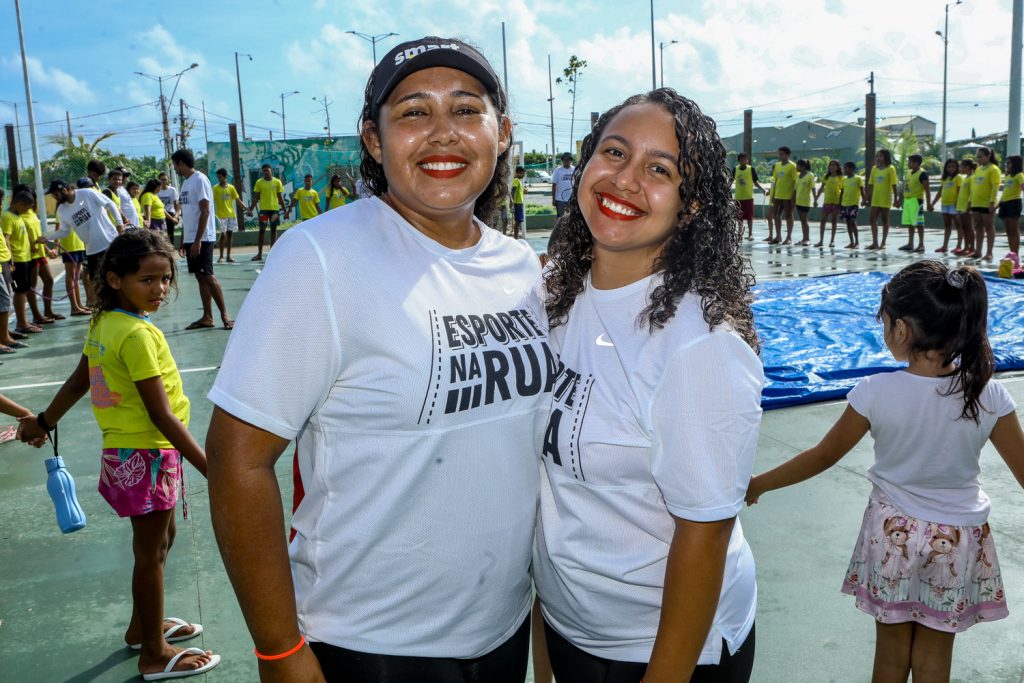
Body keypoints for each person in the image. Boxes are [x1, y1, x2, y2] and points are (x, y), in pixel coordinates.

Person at [205, 36, 550, 683]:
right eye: (414, 113)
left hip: (499, 629)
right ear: (373, 139)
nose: (442, 134)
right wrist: (278, 647)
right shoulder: (321, 258)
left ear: (501, 133)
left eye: (466, 111)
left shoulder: (521, 265)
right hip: (372, 646)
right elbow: (238, 457)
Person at [538, 88, 761, 683]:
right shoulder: (553, 297)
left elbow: (704, 533)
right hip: (569, 629)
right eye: (613, 152)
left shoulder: (698, 345)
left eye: (659, 170)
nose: (625, 179)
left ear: (689, 208)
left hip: (655, 652)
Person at [746, 259, 1024, 683]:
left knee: (891, 659)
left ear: (901, 330)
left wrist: (759, 484)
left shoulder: (875, 392)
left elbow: (823, 455)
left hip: (891, 534)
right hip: (959, 538)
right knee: (934, 661)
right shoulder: (989, 394)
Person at [17, 229, 222, 681]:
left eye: (165, 279)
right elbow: (162, 415)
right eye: (146, 280)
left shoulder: (106, 322)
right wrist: (213, 470)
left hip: (131, 453)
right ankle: (153, 651)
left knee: (159, 543)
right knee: (150, 553)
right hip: (148, 454)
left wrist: (44, 422)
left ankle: (141, 627)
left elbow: (79, 380)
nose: (160, 290)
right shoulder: (136, 335)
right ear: (114, 279)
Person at [171, 150, 234, 331]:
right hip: (192, 237)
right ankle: (207, 317)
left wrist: (198, 240)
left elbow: (205, 211)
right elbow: (188, 214)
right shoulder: (185, 184)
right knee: (200, 276)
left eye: (175, 164)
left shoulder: (200, 180)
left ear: (181, 163)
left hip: (203, 237)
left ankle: (225, 316)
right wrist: (184, 240)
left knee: (207, 274)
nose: (174, 168)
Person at [42, 179, 123, 284]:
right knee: (98, 284)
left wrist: (119, 224)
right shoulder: (62, 210)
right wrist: (46, 237)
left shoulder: (86, 193)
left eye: (55, 194)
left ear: (64, 190)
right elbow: (65, 231)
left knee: (119, 278)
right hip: (92, 251)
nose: (54, 197)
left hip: (110, 244)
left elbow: (110, 203)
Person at [2, 192, 39, 336]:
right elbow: (6, 238)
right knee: (20, 290)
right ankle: (21, 323)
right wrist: (10, 260)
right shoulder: (7, 217)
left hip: (26, 258)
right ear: (20, 204)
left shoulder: (17, 216)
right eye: (26, 208)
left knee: (24, 289)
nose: (26, 211)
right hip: (17, 259)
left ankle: (24, 322)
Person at [246, 164, 288, 261]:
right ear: (262, 172)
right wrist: (250, 209)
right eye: (264, 171)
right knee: (262, 230)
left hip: (274, 211)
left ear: (271, 171)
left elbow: (280, 197)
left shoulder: (277, 182)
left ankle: (272, 254)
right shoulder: (259, 182)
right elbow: (256, 197)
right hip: (263, 211)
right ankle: (259, 254)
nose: (265, 172)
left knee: (273, 231)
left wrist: (286, 211)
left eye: (267, 170)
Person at [970, 147, 1001, 262]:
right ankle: (978, 251)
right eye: (977, 157)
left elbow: (995, 186)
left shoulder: (994, 169)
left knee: (989, 227)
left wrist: (992, 202)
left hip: (987, 203)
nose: (978, 159)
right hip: (976, 202)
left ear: (988, 156)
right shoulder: (978, 169)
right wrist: (970, 201)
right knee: (978, 226)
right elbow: (974, 186)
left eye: (980, 156)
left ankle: (989, 252)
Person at [898, 154, 931, 253]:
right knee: (910, 223)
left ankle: (921, 244)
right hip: (907, 201)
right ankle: (910, 243)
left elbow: (927, 190)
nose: (908, 163)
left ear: (916, 163)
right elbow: (904, 187)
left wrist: (929, 204)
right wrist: (900, 200)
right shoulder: (908, 173)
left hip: (916, 201)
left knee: (919, 223)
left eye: (910, 162)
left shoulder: (922, 174)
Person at [867, 149, 898, 250]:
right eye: (877, 156)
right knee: (872, 219)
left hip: (885, 198)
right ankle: (875, 242)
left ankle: (883, 242)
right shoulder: (874, 169)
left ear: (886, 157)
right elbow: (870, 185)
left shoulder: (890, 169)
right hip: (876, 199)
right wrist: (865, 198)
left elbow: (894, 185)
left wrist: (896, 199)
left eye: (880, 156)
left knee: (885, 219)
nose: (878, 158)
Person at [731, 152, 765, 240]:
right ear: (739, 160)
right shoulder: (735, 169)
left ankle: (750, 234)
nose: (744, 161)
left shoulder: (751, 169)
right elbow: (730, 181)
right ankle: (740, 234)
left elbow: (756, 183)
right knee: (739, 218)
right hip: (738, 197)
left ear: (747, 160)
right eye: (742, 159)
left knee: (749, 217)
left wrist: (763, 189)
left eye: (745, 159)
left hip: (749, 197)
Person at [933, 159, 963, 254]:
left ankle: (959, 246)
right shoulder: (944, 178)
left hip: (954, 205)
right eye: (949, 166)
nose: (951, 169)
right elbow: (940, 192)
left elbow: (959, 191)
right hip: (945, 204)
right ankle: (944, 246)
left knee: (958, 225)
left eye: (953, 166)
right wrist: (933, 203)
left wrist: (958, 203)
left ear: (957, 167)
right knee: (947, 225)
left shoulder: (958, 178)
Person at [212, 169, 242, 263]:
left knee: (229, 235)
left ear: (225, 177)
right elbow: (211, 201)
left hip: (231, 215)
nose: (218, 179)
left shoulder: (231, 188)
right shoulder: (215, 188)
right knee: (223, 235)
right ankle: (221, 256)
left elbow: (237, 200)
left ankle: (229, 256)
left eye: (220, 177)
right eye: (217, 177)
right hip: (221, 216)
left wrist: (247, 208)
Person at [771, 146, 798, 245]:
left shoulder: (792, 166)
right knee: (776, 215)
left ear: (787, 155)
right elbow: (776, 180)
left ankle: (789, 237)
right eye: (779, 154)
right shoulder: (777, 165)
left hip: (788, 196)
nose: (780, 156)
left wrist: (793, 196)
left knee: (788, 215)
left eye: (782, 154)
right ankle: (778, 236)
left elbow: (796, 182)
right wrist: (773, 194)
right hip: (778, 195)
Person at [998, 154, 1023, 257]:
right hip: (1004, 204)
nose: (1007, 165)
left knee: (1013, 230)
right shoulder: (1008, 176)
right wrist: (998, 204)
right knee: (1008, 230)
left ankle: (1015, 254)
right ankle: (1011, 252)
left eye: (1009, 163)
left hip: (1014, 203)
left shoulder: (1019, 175)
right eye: (1006, 163)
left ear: (1015, 164)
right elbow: (1005, 192)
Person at [815, 159, 844, 248]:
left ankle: (832, 241)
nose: (831, 167)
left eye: (834, 165)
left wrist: (841, 203)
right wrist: (816, 199)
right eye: (830, 165)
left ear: (837, 167)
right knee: (823, 221)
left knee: (833, 221)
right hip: (827, 201)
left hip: (836, 202)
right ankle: (821, 240)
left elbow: (843, 190)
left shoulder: (841, 177)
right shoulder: (826, 177)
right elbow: (821, 188)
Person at [840, 161, 864, 249]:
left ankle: (857, 242)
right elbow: (842, 192)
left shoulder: (858, 179)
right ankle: (851, 242)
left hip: (854, 204)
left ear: (851, 169)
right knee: (847, 223)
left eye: (845, 168)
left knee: (852, 222)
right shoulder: (844, 180)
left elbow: (862, 190)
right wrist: (840, 204)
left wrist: (864, 199)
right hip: (845, 204)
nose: (844, 170)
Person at [956, 159, 977, 257]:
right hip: (961, 206)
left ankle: (972, 248)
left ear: (967, 167)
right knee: (964, 228)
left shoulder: (972, 178)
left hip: (966, 207)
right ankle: (966, 247)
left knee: (969, 228)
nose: (960, 168)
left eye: (961, 166)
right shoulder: (966, 178)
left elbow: (972, 193)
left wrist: (969, 206)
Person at [793, 158, 814, 245]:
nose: (796, 167)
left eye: (798, 165)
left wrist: (815, 199)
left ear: (803, 166)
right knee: (802, 220)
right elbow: (795, 189)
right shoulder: (798, 176)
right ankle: (804, 238)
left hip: (806, 201)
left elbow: (813, 188)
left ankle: (807, 239)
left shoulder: (810, 175)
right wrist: (793, 199)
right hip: (798, 201)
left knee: (804, 219)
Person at [157, 172, 180, 245]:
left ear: (168, 180)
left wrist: (176, 215)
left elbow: (176, 204)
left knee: (170, 233)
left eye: (165, 179)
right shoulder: (157, 190)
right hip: (160, 213)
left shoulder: (172, 190)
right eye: (161, 180)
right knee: (159, 233)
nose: (163, 181)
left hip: (170, 213)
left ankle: (171, 247)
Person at [552, 152, 574, 217]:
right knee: (560, 218)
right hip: (559, 199)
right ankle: (560, 227)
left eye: (568, 159)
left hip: (571, 199)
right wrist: (553, 199)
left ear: (570, 160)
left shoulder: (574, 169)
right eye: (565, 159)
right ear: (562, 160)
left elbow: (577, 185)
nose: (566, 161)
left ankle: (570, 228)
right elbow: (554, 185)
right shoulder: (558, 170)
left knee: (571, 218)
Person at [511, 165, 526, 238]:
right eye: (523, 173)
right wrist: (512, 202)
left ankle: (516, 236)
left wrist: (523, 192)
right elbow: (513, 191)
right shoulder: (516, 180)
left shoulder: (518, 181)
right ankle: (516, 237)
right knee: (518, 221)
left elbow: (517, 192)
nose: (524, 175)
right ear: (519, 173)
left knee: (518, 220)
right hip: (517, 204)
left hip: (519, 203)